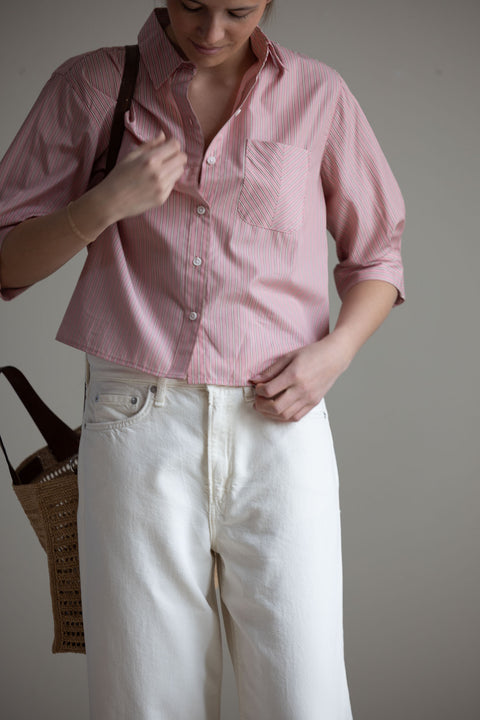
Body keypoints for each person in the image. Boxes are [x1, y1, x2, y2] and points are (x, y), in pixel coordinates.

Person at [0, 1, 405, 718]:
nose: (211, 30)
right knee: (147, 699)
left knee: (304, 697)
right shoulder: (93, 87)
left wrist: (336, 353)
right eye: (192, 3)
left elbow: (378, 255)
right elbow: (7, 260)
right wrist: (102, 205)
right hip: (138, 422)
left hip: (280, 421)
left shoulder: (318, 94)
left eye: (237, 10)